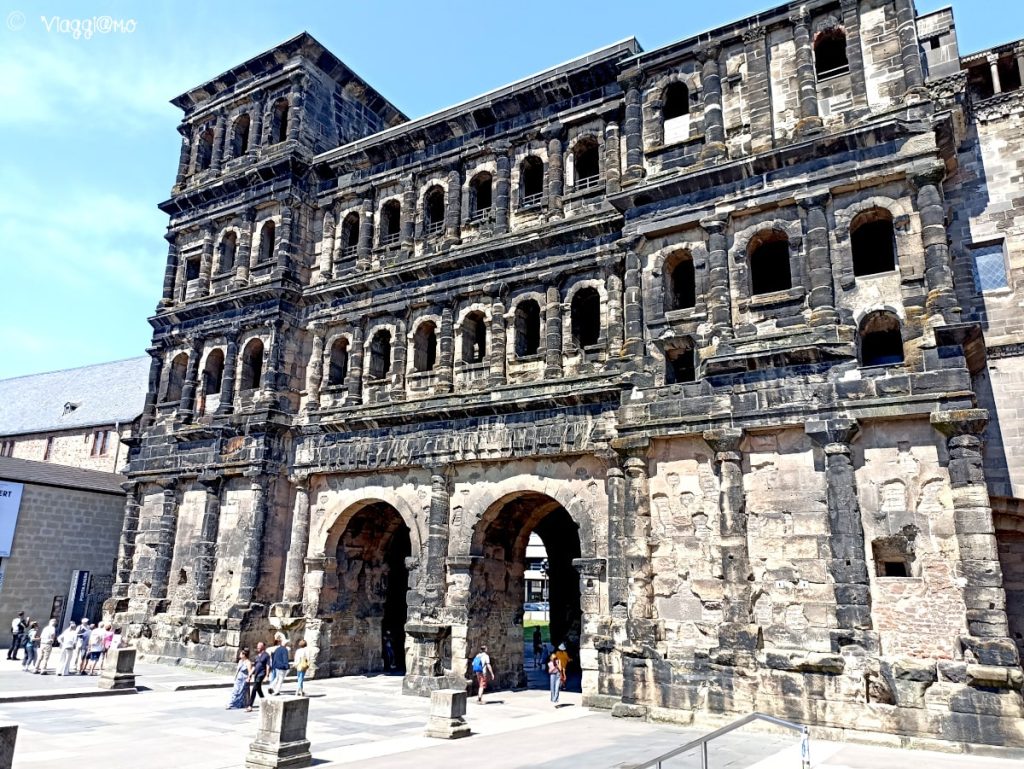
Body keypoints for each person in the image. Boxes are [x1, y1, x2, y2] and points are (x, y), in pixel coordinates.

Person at [246, 641, 270, 712]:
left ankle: (250, 705)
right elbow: (254, 666)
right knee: (258, 689)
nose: (258, 647)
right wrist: (249, 675)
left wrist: (267, 675)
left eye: (259, 646)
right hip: (256, 674)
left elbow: (268, 666)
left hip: (262, 674)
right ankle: (265, 702)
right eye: (257, 646)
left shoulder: (266, 655)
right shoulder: (257, 656)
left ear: (263, 647)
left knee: (254, 688)